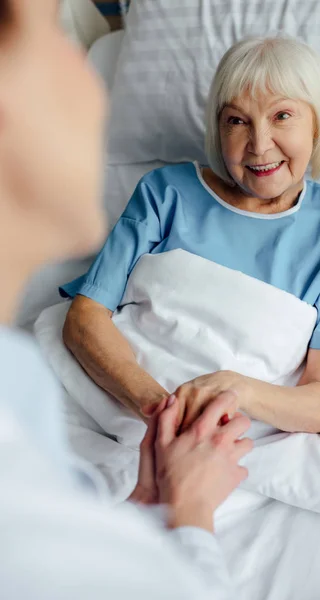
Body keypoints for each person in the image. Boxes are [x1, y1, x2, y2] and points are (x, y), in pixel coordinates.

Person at [0, 1, 253, 598]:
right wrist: (191, 514)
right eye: (59, 37)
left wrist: (146, 504)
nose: (93, 81)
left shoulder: (18, 385)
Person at [61, 36, 320, 435]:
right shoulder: (166, 192)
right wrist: (160, 410)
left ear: (317, 122)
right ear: (218, 129)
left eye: (282, 116)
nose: (260, 145)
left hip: (222, 438)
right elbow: (85, 317)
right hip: (120, 409)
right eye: (237, 120)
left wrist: (236, 389)